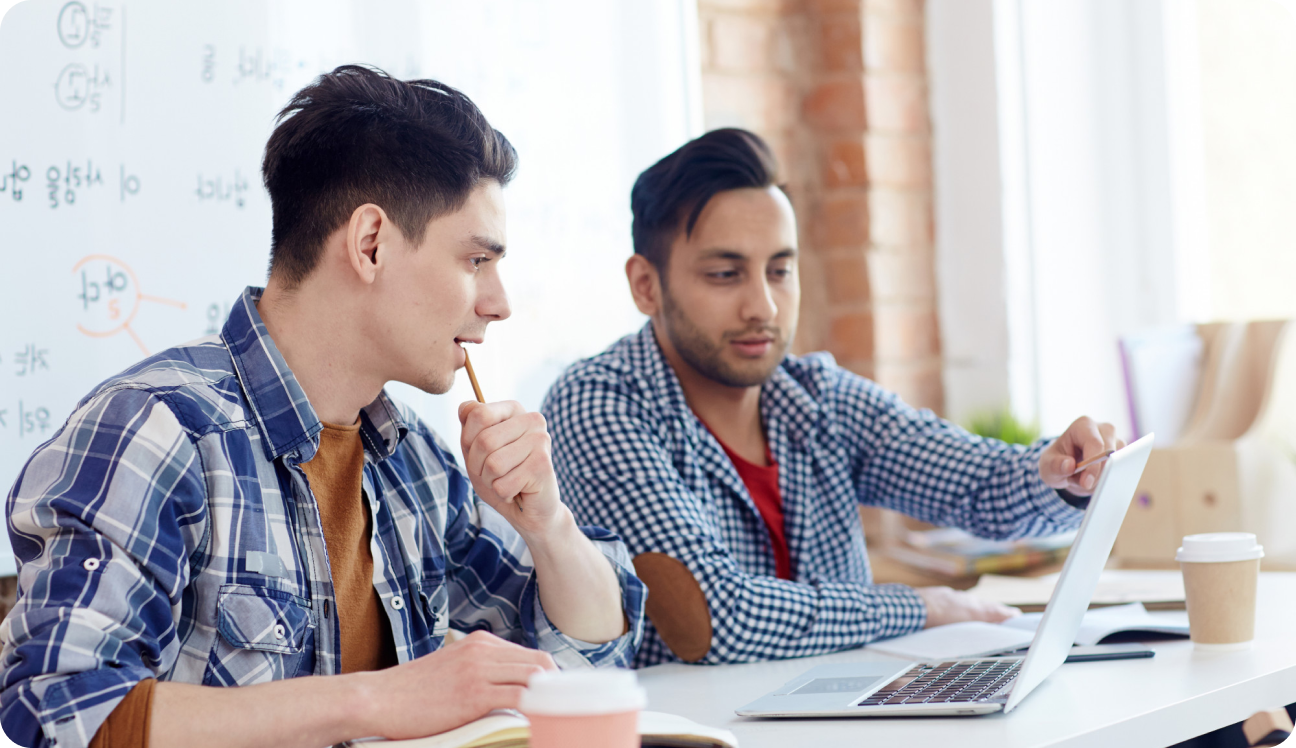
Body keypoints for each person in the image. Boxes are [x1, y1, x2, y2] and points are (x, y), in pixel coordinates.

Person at [0, 66, 644, 748]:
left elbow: (590, 657)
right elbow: (50, 714)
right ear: (371, 244)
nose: (499, 303)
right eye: (476, 261)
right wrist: (373, 701)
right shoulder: (156, 431)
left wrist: (548, 525)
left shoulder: (413, 461)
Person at [541, 128, 1120, 668]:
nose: (763, 307)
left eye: (780, 270)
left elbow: (975, 481)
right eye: (725, 274)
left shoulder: (814, 395)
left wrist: (1058, 473)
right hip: (692, 726)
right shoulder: (599, 403)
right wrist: (922, 607)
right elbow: (714, 619)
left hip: (841, 716)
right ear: (646, 285)